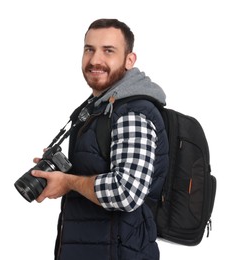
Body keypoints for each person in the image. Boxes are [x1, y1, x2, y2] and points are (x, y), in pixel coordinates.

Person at [32, 18, 169, 260]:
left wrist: (68, 182)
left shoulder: (133, 112)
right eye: (89, 49)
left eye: (108, 51)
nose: (95, 60)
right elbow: (101, 166)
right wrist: (61, 171)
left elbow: (126, 192)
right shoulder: (100, 107)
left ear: (129, 60)